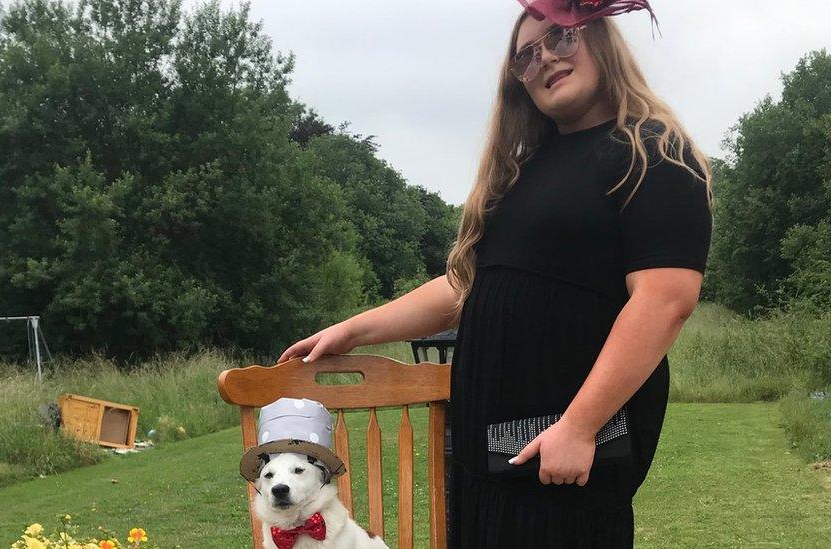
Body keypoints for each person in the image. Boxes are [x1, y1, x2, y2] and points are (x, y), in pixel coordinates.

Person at [278, 0, 713, 546]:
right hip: (485, 458)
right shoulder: (523, 172)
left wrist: (580, 426)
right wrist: (354, 329)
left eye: (559, 38)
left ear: (599, 37)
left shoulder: (653, 152)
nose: (545, 59)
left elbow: (665, 298)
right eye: (526, 57)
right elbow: (469, 285)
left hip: (563, 453)